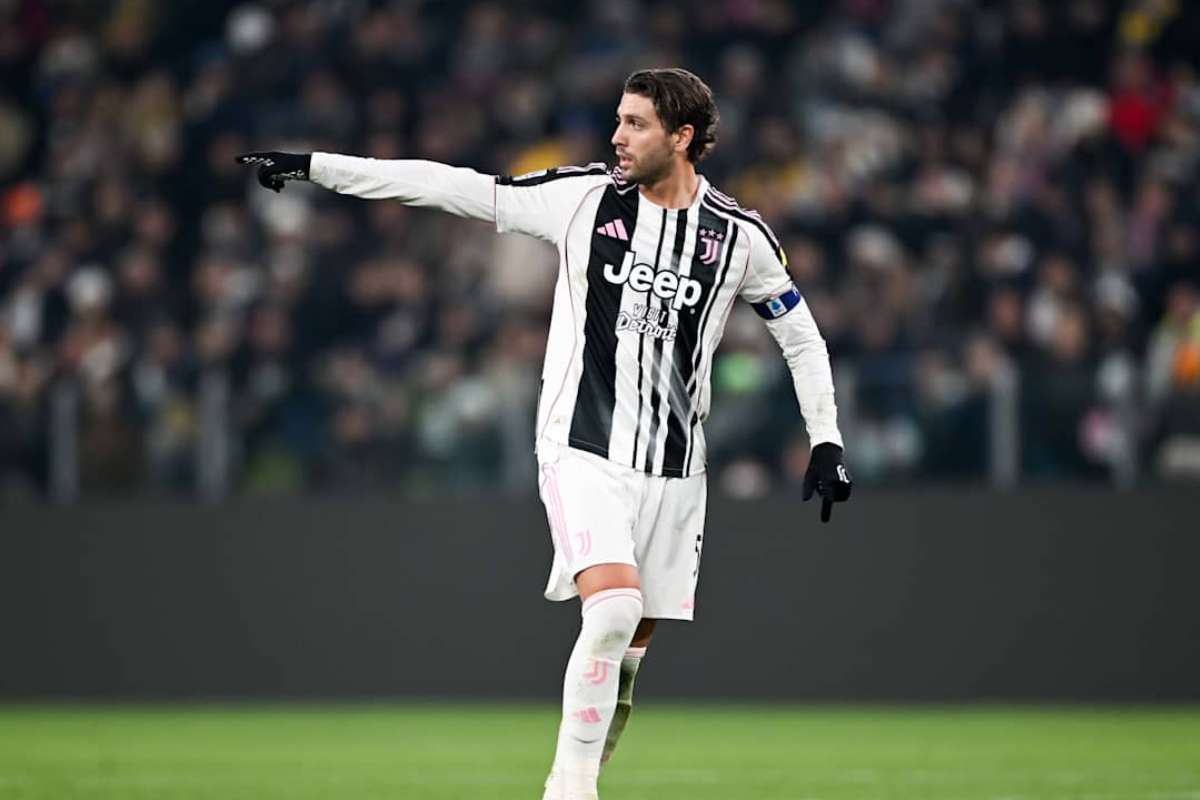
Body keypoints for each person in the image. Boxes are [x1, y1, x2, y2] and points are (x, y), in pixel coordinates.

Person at [238, 67, 852, 800]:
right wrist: (317, 166)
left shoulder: (739, 238)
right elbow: (452, 187)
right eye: (618, 119)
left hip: (676, 470)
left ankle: (582, 765)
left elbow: (801, 337)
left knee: (625, 658)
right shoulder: (582, 200)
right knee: (614, 609)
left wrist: (825, 438)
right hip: (580, 448)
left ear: (682, 137)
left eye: (636, 124)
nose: (617, 136)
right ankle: (569, 791)